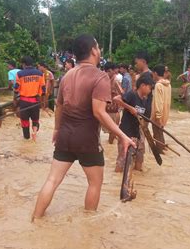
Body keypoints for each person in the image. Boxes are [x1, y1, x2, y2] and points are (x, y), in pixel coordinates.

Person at [32, 34, 135, 220]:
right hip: (87, 139)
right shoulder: (100, 76)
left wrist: (56, 129)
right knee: (95, 183)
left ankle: (36, 219)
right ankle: (88, 226)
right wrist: (122, 135)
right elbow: (99, 112)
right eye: (98, 46)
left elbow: (59, 106)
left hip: (64, 135)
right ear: (94, 50)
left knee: (52, 180)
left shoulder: (67, 76)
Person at [114, 74, 154, 172]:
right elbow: (116, 99)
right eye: (149, 88)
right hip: (126, 132)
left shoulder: (145, 100)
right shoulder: (132, 95)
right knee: (122, 159)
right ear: (143, 85)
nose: (150, 90)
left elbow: (145, 119)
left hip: (137, 133)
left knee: (139, 157)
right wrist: (129, 107)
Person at [16, 57, 45, 141]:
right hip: (35, 101)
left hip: (24, 101)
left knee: (25, 121)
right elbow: (43, 89)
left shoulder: (20, 74)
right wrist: (42, 101)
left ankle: (26, 138)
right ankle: (34, 133)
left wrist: (15, 98)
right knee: (35, 119)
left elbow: (16, 88)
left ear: (24, 64)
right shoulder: (39, 73)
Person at [151, 65, 172, 153]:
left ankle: (159, 149)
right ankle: (162, 146)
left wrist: (158, 116)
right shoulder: (168, 84)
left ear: (155, 73)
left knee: (156, 132)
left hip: (158, 114)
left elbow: (158, 102)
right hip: (165, 113)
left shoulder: (158, 85)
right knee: (160, 131)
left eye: (153, 74)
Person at [103, 63, 123, 144]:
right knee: (111, 128)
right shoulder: (107, 79)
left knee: (113, 128)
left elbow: (122, 93)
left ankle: (111, 142)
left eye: (108, 72)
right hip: (107, 107)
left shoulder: (115, 80)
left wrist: (115, 96)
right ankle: (111, 141)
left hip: (113, 108)